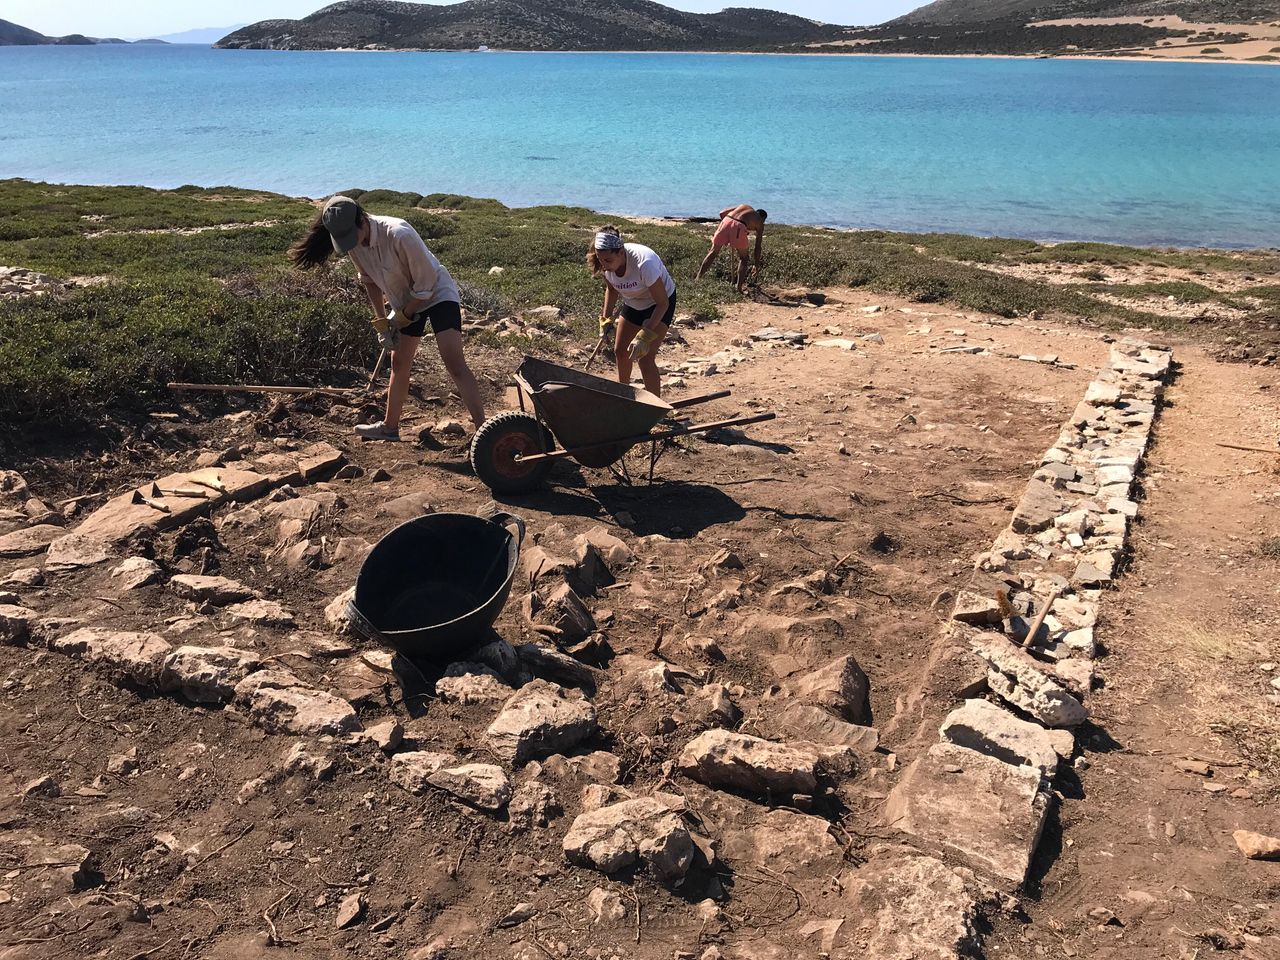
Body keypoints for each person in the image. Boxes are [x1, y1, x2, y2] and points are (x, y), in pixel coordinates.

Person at [288, 195, 486, 441]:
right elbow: (369, 281)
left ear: (362, 219)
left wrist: (403, 315)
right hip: (405, 300)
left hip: (436, 294)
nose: (349, 244)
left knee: (453, 362)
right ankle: (390, 428)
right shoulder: (353, 244)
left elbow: (426, 284)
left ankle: (484, 431)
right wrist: (382, 322)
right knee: (399, 363)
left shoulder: (399, 234)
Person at [586, 227, 677, 397]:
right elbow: (612, 290)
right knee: (620, 351)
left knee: (645, 359)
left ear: (621, 252)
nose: (604, 265)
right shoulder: (605, 264)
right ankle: (625, 396)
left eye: (608, 260)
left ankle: (655, 408)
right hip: (634, 302)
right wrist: (606, 319)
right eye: (600, 259)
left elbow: (662, 303)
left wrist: (645, 335)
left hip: (659, 303)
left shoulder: (644, 264)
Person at [695, 203, 768, 294]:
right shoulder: (759, 221)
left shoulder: (744, 206)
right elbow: (758, 247)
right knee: (744, 258)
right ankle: (739, 288)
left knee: (713, 252)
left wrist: (730, 229)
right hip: (739, 226)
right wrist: (756, 266)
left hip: (726, 221)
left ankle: (698, 279)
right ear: (763, 218)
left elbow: (722, 213)